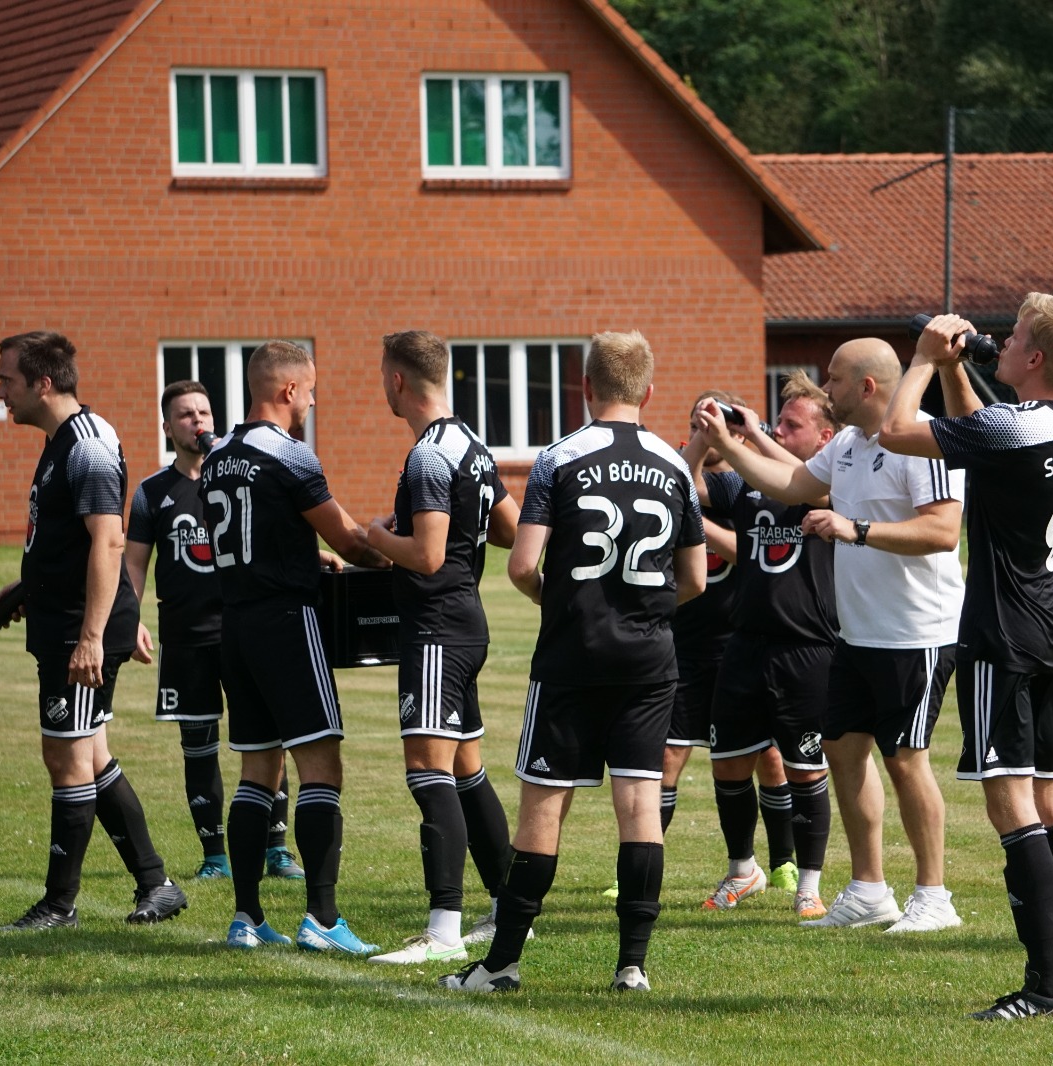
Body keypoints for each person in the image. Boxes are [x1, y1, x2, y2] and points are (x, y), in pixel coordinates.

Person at [441, 330, 706, 993]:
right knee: (641, 806)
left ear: (585, 387)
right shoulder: (675, 466)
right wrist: (645, 609)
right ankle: (632, 967)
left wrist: (557, 601)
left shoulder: (558, 458)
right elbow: (697, 579)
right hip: (649, 660)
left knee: (542, 807)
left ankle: (501, 965)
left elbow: (522, 565)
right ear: (649, 391)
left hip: (572, 656)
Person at [880, 294, 1053, 1019]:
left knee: (1010, 802)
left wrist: (921, 361)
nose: (999, 343)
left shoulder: (1016, 426)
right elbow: (986, 433)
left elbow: (895, 431)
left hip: (1000, 630)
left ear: (1035, 358)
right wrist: (956, 369)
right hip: (1048, 623)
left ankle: (1045, 985)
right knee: (1050, 798)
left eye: (1013, 338)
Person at [696, 338, 964, 933]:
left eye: (836, 378)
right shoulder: (847, 445)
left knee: (906, 761)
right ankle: (869, 889)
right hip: (857, 634)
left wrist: (855, 528)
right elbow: (791, 483)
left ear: (867, 386)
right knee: (842, 751)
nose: (827, 387)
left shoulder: (925, 439)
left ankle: (934, 896)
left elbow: (943, 531)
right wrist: (728, 444)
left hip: (915, 630)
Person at [0, 330, 187, 930]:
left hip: (82, 630)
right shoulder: (61, 441)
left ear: (43, 383)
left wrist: (92, 638)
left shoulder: (89, 446)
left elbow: (108, 541)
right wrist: (24, 588)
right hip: (65, 621)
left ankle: (59, 904)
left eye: (7, 380)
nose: (0, 393)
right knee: (91, 757)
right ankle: (157, 884)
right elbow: (69, 542)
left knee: (67, 757)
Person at [200, 340, 391, 953]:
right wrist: (395, 551)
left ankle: (247, 919)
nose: (311, 402)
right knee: (321, 766)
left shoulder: (217, 456)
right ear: (287, 390)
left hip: (236, 626)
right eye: (309, 391)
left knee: (257, 770)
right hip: (287, 622)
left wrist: (309, 555)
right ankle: (323, 920)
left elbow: (259, 532)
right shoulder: (289, 452)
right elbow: (351, 541)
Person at [363, 331, 520, 967]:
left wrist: (378, 536)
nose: (382, 385)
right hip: (467, 622)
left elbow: (427, 556)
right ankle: (508, 909)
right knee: (465, 772)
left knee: (428, 773)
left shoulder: (428, 454)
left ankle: (443, 929)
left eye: (383, 375)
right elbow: (509, 529)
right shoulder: (472, 445)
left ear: (399, 380)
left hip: (435, 629)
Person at [125, 381, 304, 883]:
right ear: (167, 427)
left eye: (203, 412)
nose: (197, 421)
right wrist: (129, 617)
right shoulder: (152, 492)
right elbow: (134, 564)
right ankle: (214, 855)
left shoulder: (237, 476)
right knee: (198, 745)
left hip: (244, 631)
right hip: (186, 639)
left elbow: (270, 539)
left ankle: (276, 849)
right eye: (185, 414)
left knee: (267, 740)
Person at [692, 371, 838, 918]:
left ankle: (809, 885)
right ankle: (742, 871)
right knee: (729, 765)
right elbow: (687, 489)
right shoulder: (744, 487)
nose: (778, 430)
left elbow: (806, 485)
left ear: (824, 437)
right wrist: (705, 438)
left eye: (791, 425)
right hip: (744, 646)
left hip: (806, 648)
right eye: (777, 422)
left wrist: (750, 434)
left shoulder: (835, 481)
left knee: (804, 770)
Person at [662, 391, 796, 900]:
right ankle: (640, 857)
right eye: (701, 420)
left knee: (769, 759)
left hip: (742, 643)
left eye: (723, 420)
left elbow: (748, 552)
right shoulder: (681, 477)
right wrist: (700, 439)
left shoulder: (753, 484)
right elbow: (683, 482)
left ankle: (782, 863)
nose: (713, 430)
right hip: (687, 644)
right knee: (668, 756)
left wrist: (698, 524)